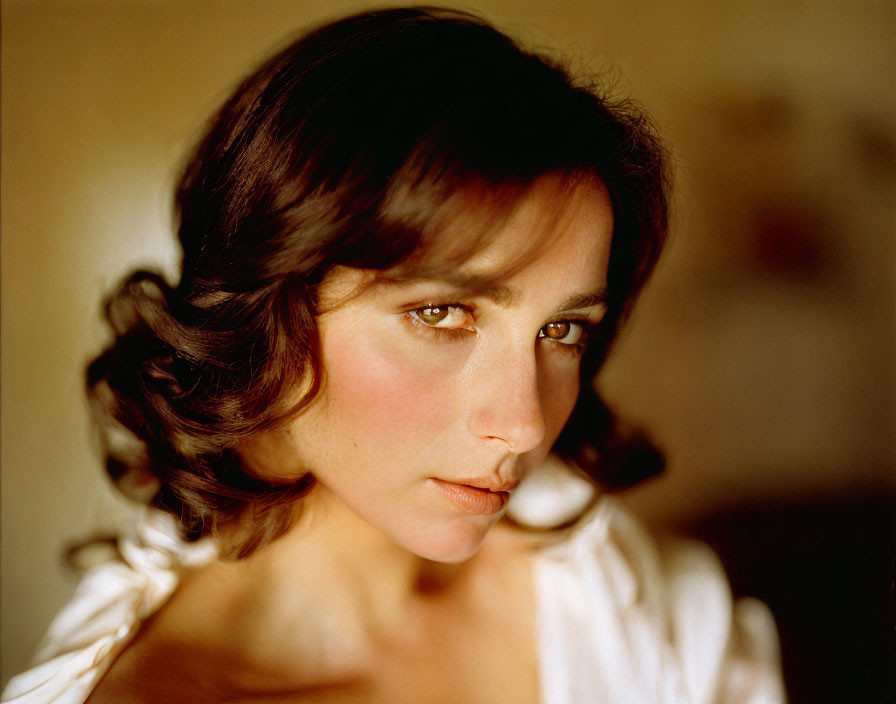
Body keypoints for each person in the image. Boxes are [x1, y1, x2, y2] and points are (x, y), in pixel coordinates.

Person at [3, 7, 785, 703]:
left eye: (562, 331)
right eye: (442, 313)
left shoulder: (634, 610)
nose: (521, 427)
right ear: (271, 307)